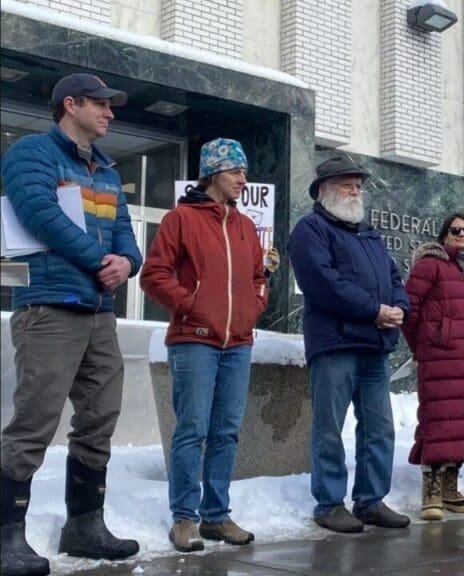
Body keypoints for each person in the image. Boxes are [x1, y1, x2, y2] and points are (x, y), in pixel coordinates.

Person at [0, 73, 141, 575]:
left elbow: (125, 234)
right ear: (70, 104)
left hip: (98, 311)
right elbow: (39, 213)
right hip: (49, 306)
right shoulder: (32, 153)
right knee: (34, 420)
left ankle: (84, 526)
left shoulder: (107, 170)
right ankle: (6, 536)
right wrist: (101, 261)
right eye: (100, 104)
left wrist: (127, 262)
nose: (110, 113)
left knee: (100, 416)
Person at [141, 139, 268, 550]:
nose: (243, 179)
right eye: (235, 171)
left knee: (226, 432)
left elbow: (258, 278)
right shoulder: (181, 218)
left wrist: (254, 307)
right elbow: (154, 275)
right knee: (192, 430)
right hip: (193, 340)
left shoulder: (245, 226)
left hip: (239, 343)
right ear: (213, 173)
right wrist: (192, 306)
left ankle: (216, 516)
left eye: (244, 172)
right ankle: (184, 518)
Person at [287, 157, 412, 533]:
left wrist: (399, 307)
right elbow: (323, 283)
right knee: (329, 428)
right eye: (347, 184)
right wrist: (374, 310)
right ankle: (329, 504)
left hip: (374, 345)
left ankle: (371, 501)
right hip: (336, 344)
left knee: (379, 428)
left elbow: (394, 277)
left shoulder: (369, 234)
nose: (356, 191)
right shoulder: (310, 230)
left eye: (358, 185)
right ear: (323, 190)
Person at [402, 212, 464, 522]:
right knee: (438, 420)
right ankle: (430, 490)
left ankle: (449, 488)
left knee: (463, 424)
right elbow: (409, 310)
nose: (462, 235)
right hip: (440, 357)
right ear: (444, 235)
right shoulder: (430, 264)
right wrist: (421, 347)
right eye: (455, 230)